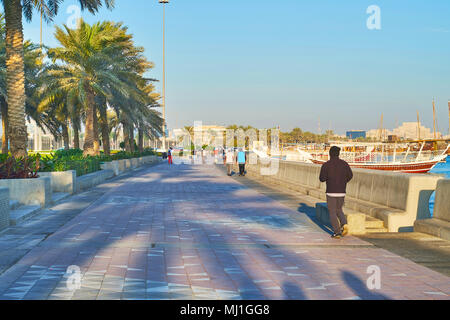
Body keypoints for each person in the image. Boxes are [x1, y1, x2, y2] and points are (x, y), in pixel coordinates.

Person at [319, 146, 353, 239]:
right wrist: (343, 182)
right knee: (339, 210)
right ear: (338, 154)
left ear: (330, 154)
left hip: (331, 192)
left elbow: (321, 179)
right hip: (342, 191)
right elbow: (350, 175)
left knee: (332, 212)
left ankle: (337, 232)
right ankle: (344, 224)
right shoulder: (344, 164)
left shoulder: (326, 165)